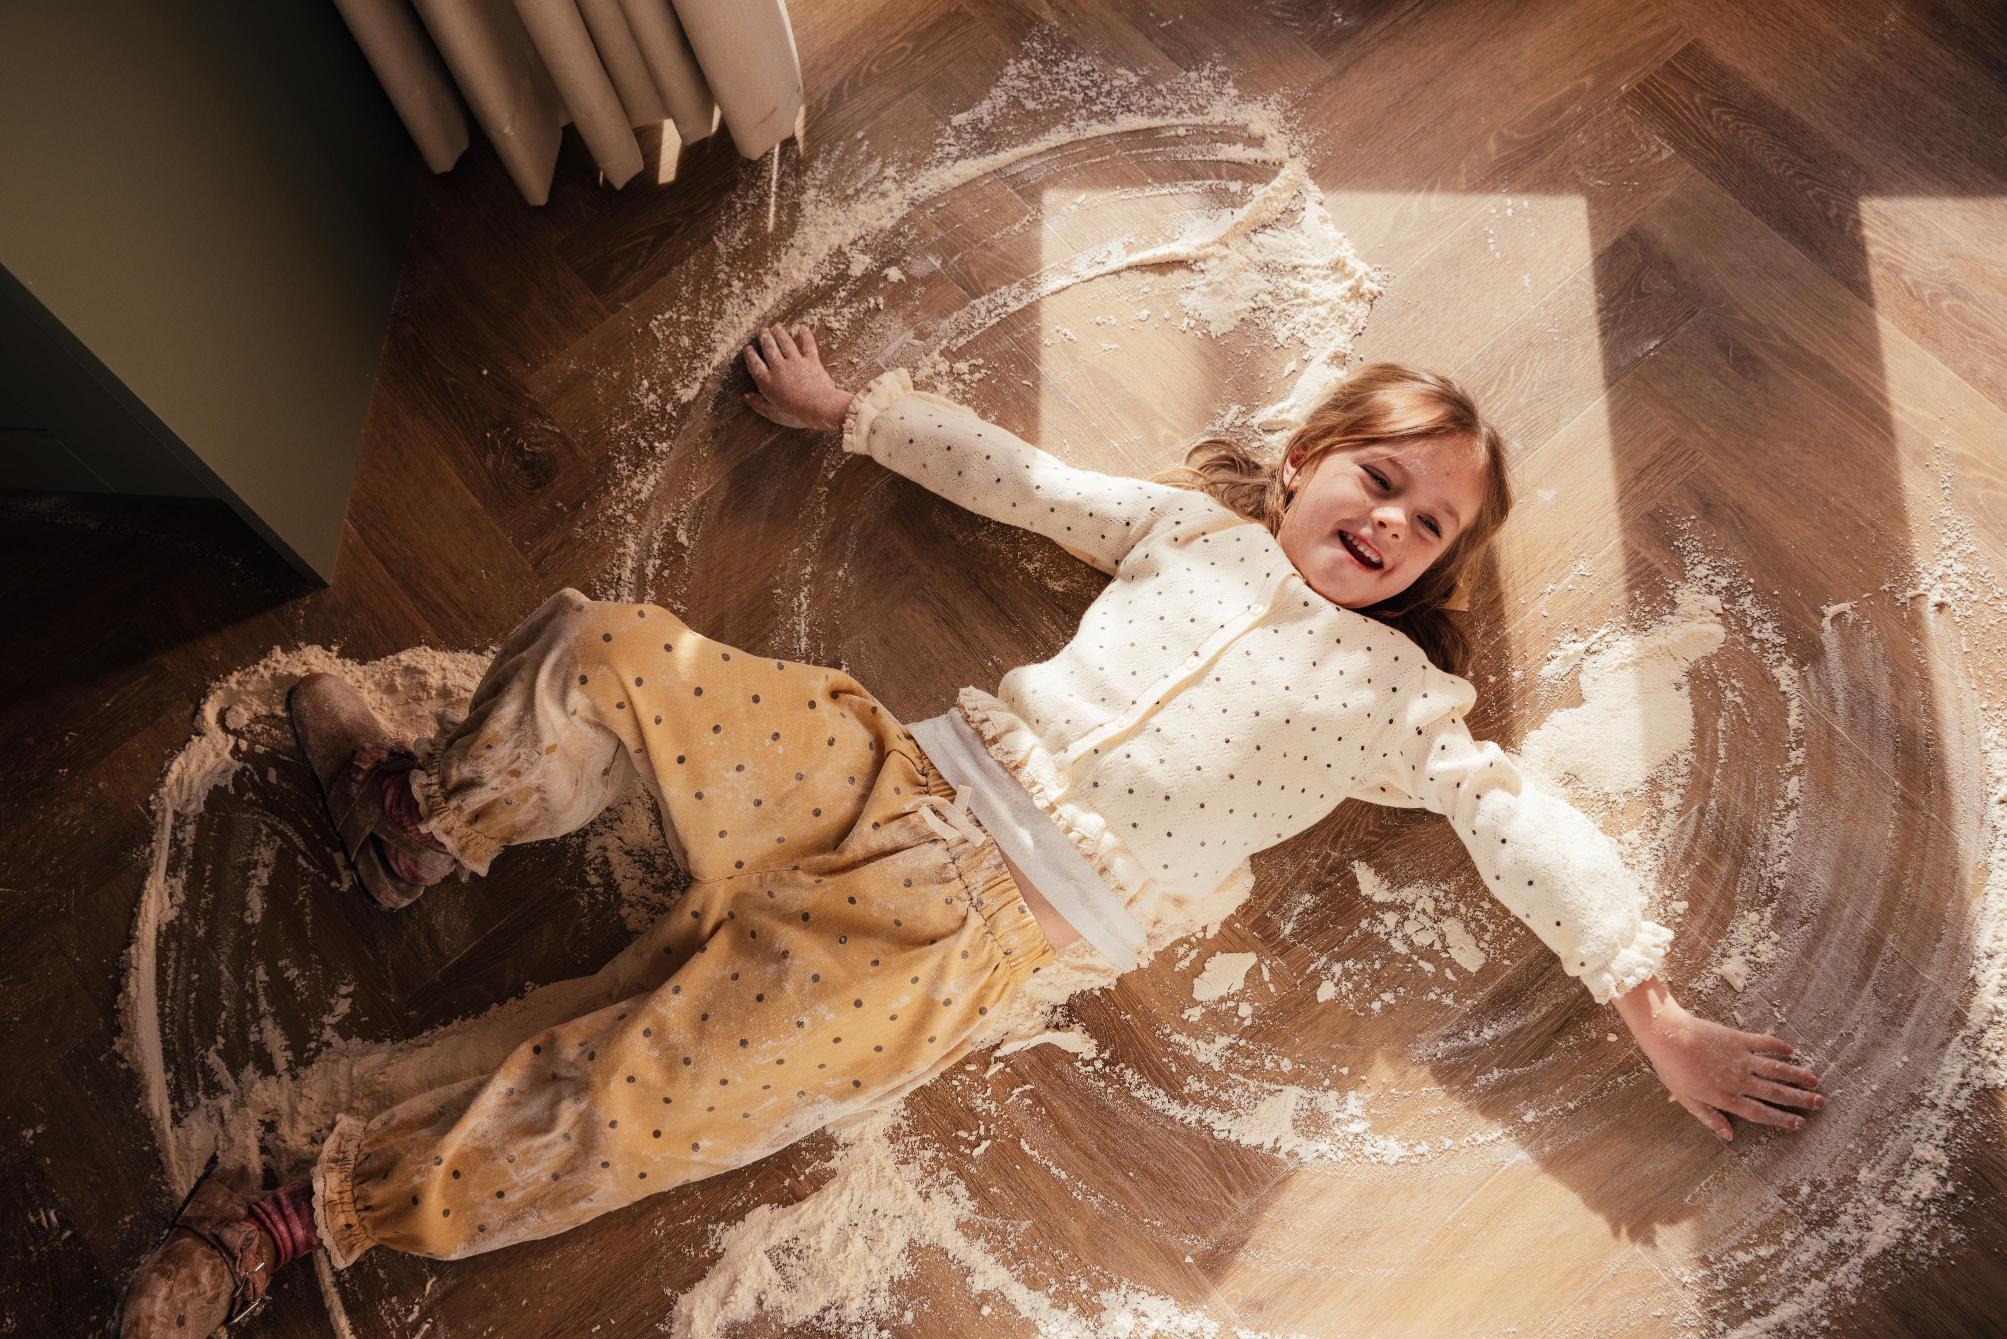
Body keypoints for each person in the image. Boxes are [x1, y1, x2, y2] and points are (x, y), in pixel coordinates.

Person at [120, 324, 1825, 1335]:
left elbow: (1515, 819)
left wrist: (1648, 1005)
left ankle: (288, 1221)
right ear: (1304, 464)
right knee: (613, 645)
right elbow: (1028, 483)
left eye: (1430, 523)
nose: (1393, 521)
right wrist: (851, 414)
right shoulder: (1191, 537)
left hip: (973, 941)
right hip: (894, 775)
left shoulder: (1397, 703)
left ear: (1438, 576)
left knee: (642, 1097)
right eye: (1377, 478)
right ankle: (419, 822)